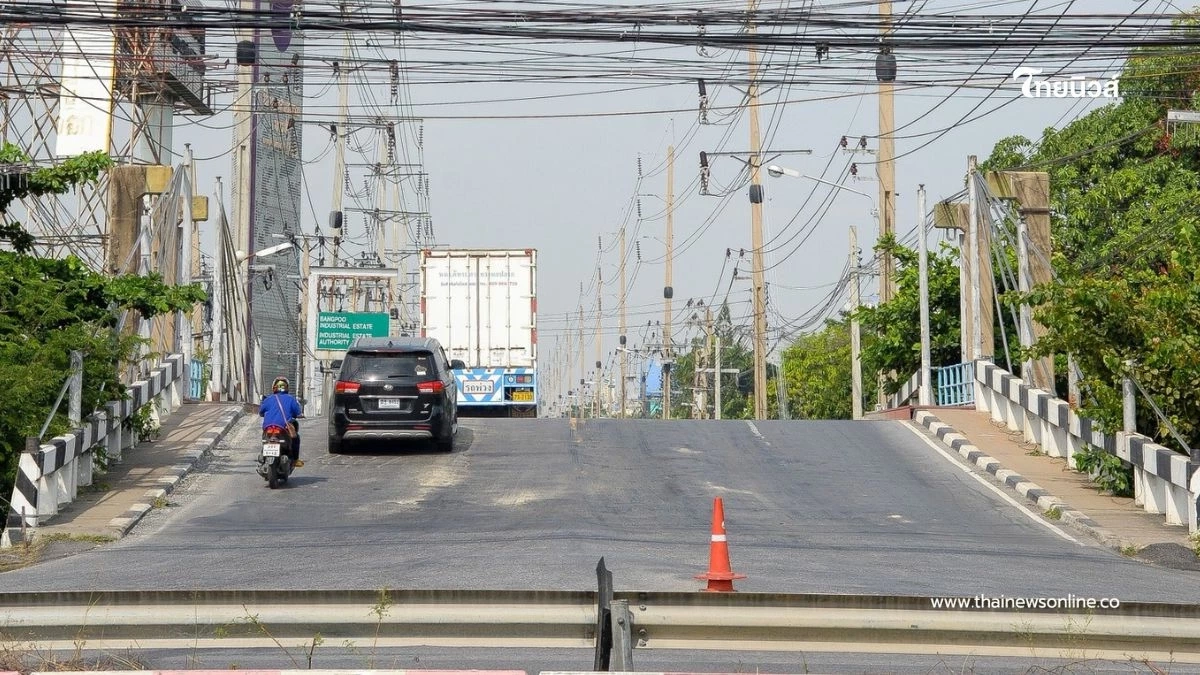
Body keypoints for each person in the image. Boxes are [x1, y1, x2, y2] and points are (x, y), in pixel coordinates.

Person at [260, 376, 304, 467]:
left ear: (274, 387)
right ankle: (295, 460)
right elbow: (298, 412)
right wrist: (299, 415)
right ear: (286, 388)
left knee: (265, 438)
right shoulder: (291, 399)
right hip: (284, 426)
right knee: (295, 438)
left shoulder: (268, 399)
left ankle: (263, 455)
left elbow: (261, 412)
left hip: (268, 427)